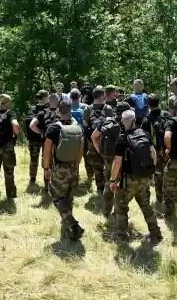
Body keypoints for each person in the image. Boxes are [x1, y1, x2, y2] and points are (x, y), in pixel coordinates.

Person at [108, 110, 163, 244]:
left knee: (120, 206)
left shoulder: (122, 139)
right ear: (134, 120)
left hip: (128, 181)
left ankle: (121, 236)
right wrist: (150, 173)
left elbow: (117, 162)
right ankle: (156, 234)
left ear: (123, 122)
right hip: (144, 178)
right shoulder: (144, 134)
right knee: (146, 206)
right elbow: (153, 153)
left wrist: (113, 180)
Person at [43, 100, 85, 240]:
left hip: (60, 169)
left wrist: (46, 168)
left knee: (57, 197)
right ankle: (67, 224)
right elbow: (81, 148)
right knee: (68, 197)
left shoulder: (54, 128)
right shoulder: (78, 127)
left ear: (58, 111)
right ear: (70, 110)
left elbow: (47, 150)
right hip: (74, 167)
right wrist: (77, 164)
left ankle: (73, 226)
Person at [91, 91, 123, 218]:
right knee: (120, 184)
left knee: (109, 181)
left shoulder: (106, 121)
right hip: (122, 158)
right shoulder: (128, 123)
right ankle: (117, 212)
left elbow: (93, 136)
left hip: (108, 157)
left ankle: (106, 211)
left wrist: (100, 150)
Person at [83, 86, 114, 201]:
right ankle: (108, 190)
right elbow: (112, 125)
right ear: (102, 95)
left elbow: (85, 126)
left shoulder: (87, 109)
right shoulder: (108, 108)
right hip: (107, 144)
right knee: (108, 167)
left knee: (97, 168)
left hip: (92, 142)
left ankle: (99, 190)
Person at [146, 94, 168, 204]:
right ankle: (170, 198)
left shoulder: (146, 120)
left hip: (155, 152)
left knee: (158, 176)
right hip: (168, 151)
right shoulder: (166, 116)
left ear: (148, 104)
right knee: (169, 175)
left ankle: (159, 200)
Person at [25, 89, 49, 187]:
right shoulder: (48, 109)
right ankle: (47, 181)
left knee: (33, 159)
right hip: (45, 138)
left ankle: (32, 179)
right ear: (45, 98)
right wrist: (41, 132)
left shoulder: (32, 109)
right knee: (46, 160)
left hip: (33, 138)